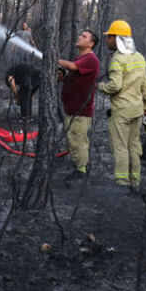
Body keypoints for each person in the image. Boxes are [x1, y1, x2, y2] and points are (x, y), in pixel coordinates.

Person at [97, 20, 146, 190]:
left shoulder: (117, 59)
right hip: (137, 109)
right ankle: (135, 182)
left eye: (110, 37)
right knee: (134, 146)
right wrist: (145, 105)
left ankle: (121, 183)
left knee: (120, 147)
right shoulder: (139, 57)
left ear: (117, 39)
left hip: (121, 111)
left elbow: (115, 86)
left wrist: (100, 87)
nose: (107, 40)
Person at [58, 30, 101, 182]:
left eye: (84, 36)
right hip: (72, 108)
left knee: (78, 140)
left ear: (91, 44)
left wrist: (54, 59)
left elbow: (72, 66)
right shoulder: (80, 58)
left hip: (81, 111)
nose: (79, 37)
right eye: (80, 34)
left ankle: (81, 171)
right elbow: (74, 76)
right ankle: (78, 165)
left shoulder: (91, 59)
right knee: (71, 139)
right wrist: (63, 78)